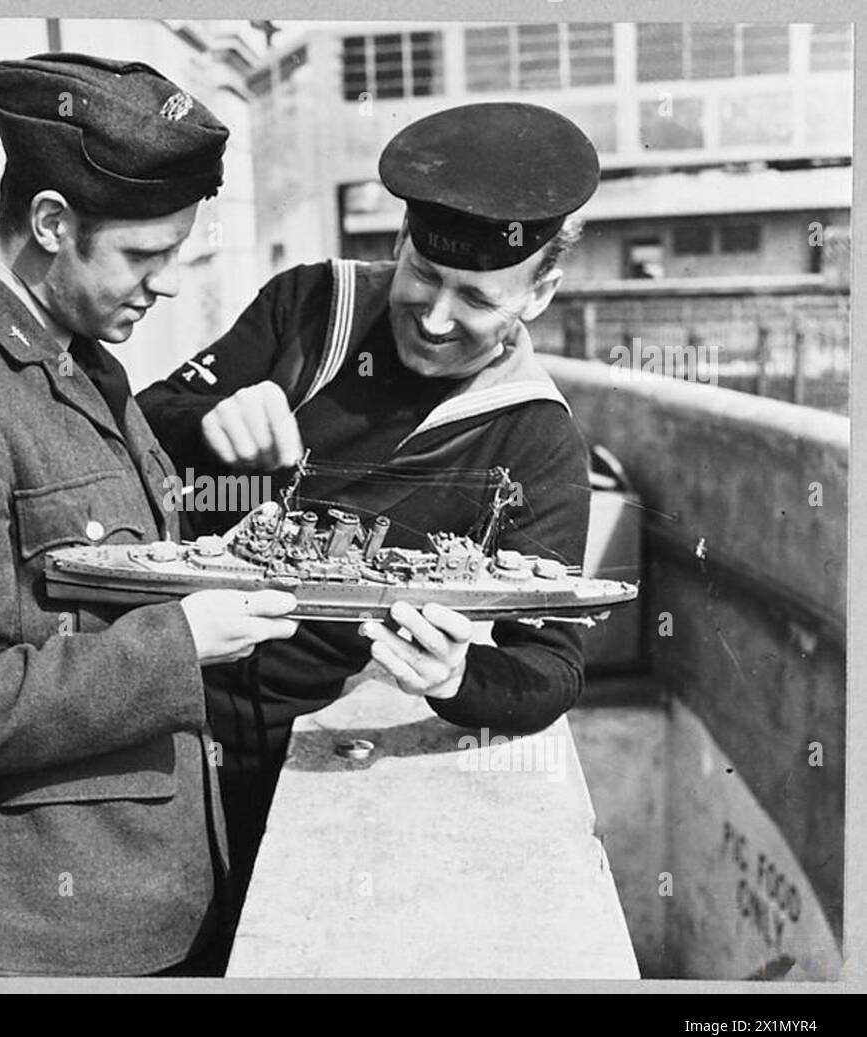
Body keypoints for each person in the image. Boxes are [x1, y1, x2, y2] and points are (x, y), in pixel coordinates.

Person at [0, 52, 298, 978]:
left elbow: (94, 581)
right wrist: (180, 642)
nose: (164, 282)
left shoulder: (74, 355)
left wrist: (218, 561)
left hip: (157, 899)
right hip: (61, 943)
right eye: (143, 255)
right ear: (51, 222)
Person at [138, 101, 602, 959]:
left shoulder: (535, 437)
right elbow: (142, 417)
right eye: (423, 274)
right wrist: (209, 423)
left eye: (477, 299)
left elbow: (551, 669)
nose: (432, 317)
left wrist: (458, 675)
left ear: (541, 291)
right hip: (163, 732)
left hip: (317, 767)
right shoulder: (311, 306)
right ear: (399, 241)